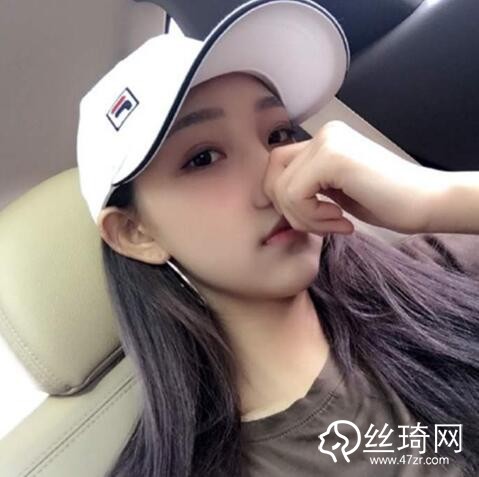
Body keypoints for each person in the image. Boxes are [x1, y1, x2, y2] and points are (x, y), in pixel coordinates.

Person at [75, 1, 479, 476]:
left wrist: (436, 198)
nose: (275, 180)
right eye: (203, 158)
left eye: (279, 135)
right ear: (135, 233)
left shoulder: (435, 269)